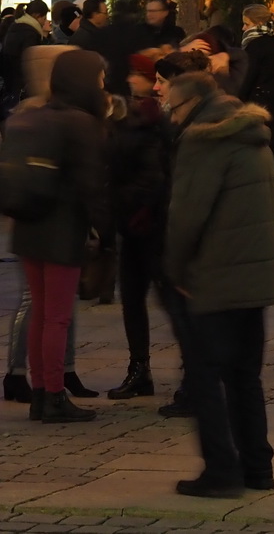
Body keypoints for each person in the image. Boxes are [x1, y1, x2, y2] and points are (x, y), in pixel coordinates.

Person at [162, 70, 274, 497]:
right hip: (255, 273)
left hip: (215, 274)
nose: (171, 117)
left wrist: (176, 270)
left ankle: (221, 471)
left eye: (173, 107)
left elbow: (187, 216)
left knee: (205, 376)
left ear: (192, 103)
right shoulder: (253, 135)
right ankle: (258, 468)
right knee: (245, 375)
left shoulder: (203, 141)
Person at [0, 49, 113, 422]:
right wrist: (105, 232)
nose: (103, 83)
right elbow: (91, 184)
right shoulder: (81, 122)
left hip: (28, 225)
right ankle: (53, 394)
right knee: (57, 317)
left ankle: (40, 394)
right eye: (99, 77)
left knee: (41, 312)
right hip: (62, 229)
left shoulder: (34, 115)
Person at [107, 54, 190, 401]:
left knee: (173, 300)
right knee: (132, 297)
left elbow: (159, 175)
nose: (152, 86)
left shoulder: (167, 123)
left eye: (159, 80)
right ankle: (139, 368)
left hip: (159, 225)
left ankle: (193, 373)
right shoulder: (133, 118)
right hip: (134, 224)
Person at [235, 5, 274, 177]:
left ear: (258, 23)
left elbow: (248, 78)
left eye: (246, 24)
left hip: (260, 109)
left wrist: (238, 102)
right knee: (272, 163)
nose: (243, 28)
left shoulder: (255, 47)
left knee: (261, 163)